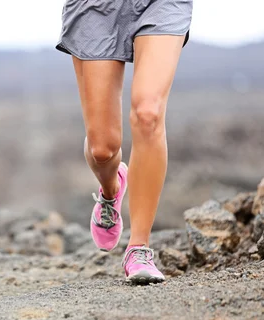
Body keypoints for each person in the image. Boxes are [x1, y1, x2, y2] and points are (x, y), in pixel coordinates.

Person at [56, 0, 192, 283]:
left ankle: (138, 248)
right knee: (103, 149)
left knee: (148, 115)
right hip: (95, 7)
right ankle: (111, 189)